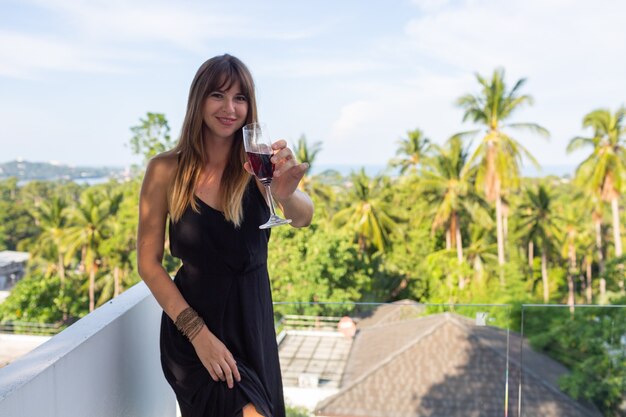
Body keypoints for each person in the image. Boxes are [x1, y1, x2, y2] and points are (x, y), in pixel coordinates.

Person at [137, 54, 313, 417]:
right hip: (193, 334)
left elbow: (303, 218)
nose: (229, 108)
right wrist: (199, 336)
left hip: (253, 325)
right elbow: (148, 264)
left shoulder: (258, 165)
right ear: (199, 99)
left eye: (240, 97)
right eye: (218, 95)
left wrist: (286, 194)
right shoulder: (165, 170)